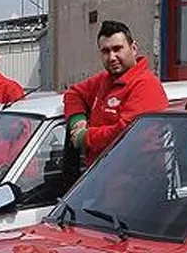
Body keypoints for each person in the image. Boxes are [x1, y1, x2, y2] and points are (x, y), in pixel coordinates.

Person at [63, 20, 168, 166]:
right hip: (101, 172)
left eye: (117, 49)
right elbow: (74, 94)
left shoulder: (146, 85)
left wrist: (86, 137)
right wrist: (78, 121)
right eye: (105, 51)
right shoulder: (104, 80)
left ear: (133, 48)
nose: (112, 57)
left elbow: (127, 132)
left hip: (136, 175)